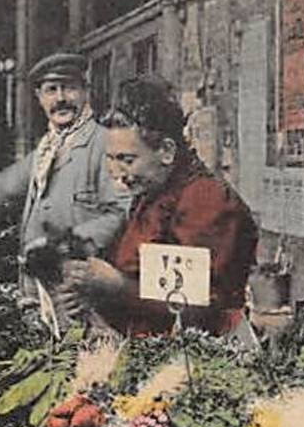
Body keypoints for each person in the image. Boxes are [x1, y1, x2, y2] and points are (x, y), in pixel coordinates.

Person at [67, 77, 259, 338]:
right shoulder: (151, 193)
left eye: (127, 160)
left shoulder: (206, 199)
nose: (115, 172)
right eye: (110, 159)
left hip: (194, 361)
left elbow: (198, 306)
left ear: (166, 151)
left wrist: (115, 286)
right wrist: (91, 292)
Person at [0, 51, 130, 303]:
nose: (60, 98)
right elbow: (4, 188)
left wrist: (64, 246)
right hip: (38, 291)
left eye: (69, 88)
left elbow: (119, 213)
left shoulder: (104, 144)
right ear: (39, 98)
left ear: (86, 92)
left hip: (80, 294)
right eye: (51, 90)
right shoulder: (46, 149)